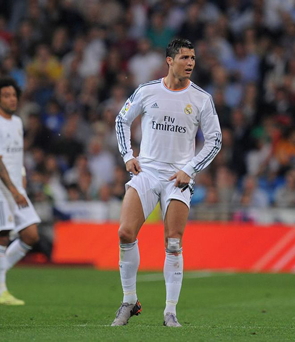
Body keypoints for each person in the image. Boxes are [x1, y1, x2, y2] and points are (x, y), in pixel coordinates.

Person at [112, 38, 222, 327]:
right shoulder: (147, 91)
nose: (190, 63)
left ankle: (170, 311)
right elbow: (121, 120)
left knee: (173, 242)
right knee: (125, 233)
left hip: (178, 177)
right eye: (185, 57)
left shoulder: (201, 99)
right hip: (146, 172)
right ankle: (129, 300)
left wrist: (191, 168)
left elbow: (215, 140)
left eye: (193, 58)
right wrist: (127, 155)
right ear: (169, 61)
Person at [0, 77, 40, 305]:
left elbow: (15, 157)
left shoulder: (16, 122)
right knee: (2, 236)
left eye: (14, 95)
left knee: (31, 235)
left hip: (15, 190)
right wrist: (13, 189)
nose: (12, 99)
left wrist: (21, 176)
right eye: (6, 95)